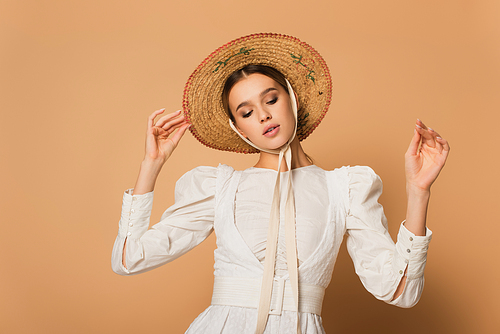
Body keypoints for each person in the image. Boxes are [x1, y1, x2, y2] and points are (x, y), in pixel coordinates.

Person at [111, 33, 449, 334]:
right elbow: (129, 259)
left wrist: (418, 192)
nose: (263, 116)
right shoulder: (220, 187)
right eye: (246, 112)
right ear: (239, 129)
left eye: (271, 100)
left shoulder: (345, 188)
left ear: (292, 100)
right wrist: (150, 165)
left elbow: (401, 291)